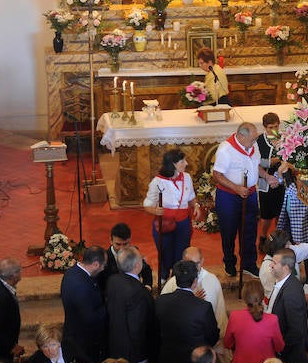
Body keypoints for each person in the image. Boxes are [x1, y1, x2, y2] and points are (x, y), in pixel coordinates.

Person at [155, 260, 219, 363]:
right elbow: (212, 337)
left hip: (169, 362)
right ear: (195, 281)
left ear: (175, 279)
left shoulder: (161, 301)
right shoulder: (203, 307)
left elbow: (154, 332)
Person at [213, 122, 270, 277]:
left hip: (250, 194)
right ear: (240, 135)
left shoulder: (253, 146)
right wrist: (236, 188)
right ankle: (230, 262)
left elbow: (256, 165)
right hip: (229, 196)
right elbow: (217, 175)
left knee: (250, 230)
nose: (254, 143)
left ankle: (248, 264)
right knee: (229, 231)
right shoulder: (226, 150)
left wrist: (266, 176)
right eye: (252, 139)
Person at [143, 149, 201, 285]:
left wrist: (196, 206)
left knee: (182, 252)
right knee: (165, 251)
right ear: (173, 164)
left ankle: (178, 277)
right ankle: (163, 274)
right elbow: (147, 205)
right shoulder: (157, 182)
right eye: (182, 161)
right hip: (165, 223)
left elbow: (191, 197)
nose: (186, 163)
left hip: (183, 223)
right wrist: (155, 211)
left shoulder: (186, 177)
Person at [107, 246, 159, 363]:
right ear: (137, 265)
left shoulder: (112, 281)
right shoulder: (139, 293)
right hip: (132, 357)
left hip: (115, 348)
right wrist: (142, 358)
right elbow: (137, 329)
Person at [223, 281, 285, 363]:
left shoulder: (235, 317)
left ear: (244, 297)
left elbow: (227, 343)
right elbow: (279, 347)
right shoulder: (272, 320)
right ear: (262, 297)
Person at [267, 248, 308, 363]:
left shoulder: (291, 292)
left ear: (285, 267)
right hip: (282, 348)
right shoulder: (285, 283)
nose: (271, 265)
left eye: (275, 263)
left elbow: (296, 330)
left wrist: (279, 350)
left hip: (286, 352)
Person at [60, 245, 108, 363]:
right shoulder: (82, 286)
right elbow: (91, 317)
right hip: (83, 342)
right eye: (103, 265)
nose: (103, 268)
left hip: (73, 333)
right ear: (96, 264)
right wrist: (109, 305)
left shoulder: (71, 272)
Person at [100, 223, 154, 297]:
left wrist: (147, 287)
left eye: (125, 244)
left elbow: (146, 270)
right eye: (118, 244)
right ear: (111, 240)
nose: (122, 248)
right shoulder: (104, 259)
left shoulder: (134, 253)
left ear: (130, 240)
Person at [256, 112, 284, 253]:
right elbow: (253, 161)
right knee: (266, 215)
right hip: (265, 182)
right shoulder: (259, 141)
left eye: (276, 126)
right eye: (270, 127)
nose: (273, 130)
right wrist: (269, 163)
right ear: (264, 127)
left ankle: (278, 239)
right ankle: (262, 237)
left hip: (282, 182)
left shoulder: (284, 139)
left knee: (281, 212)